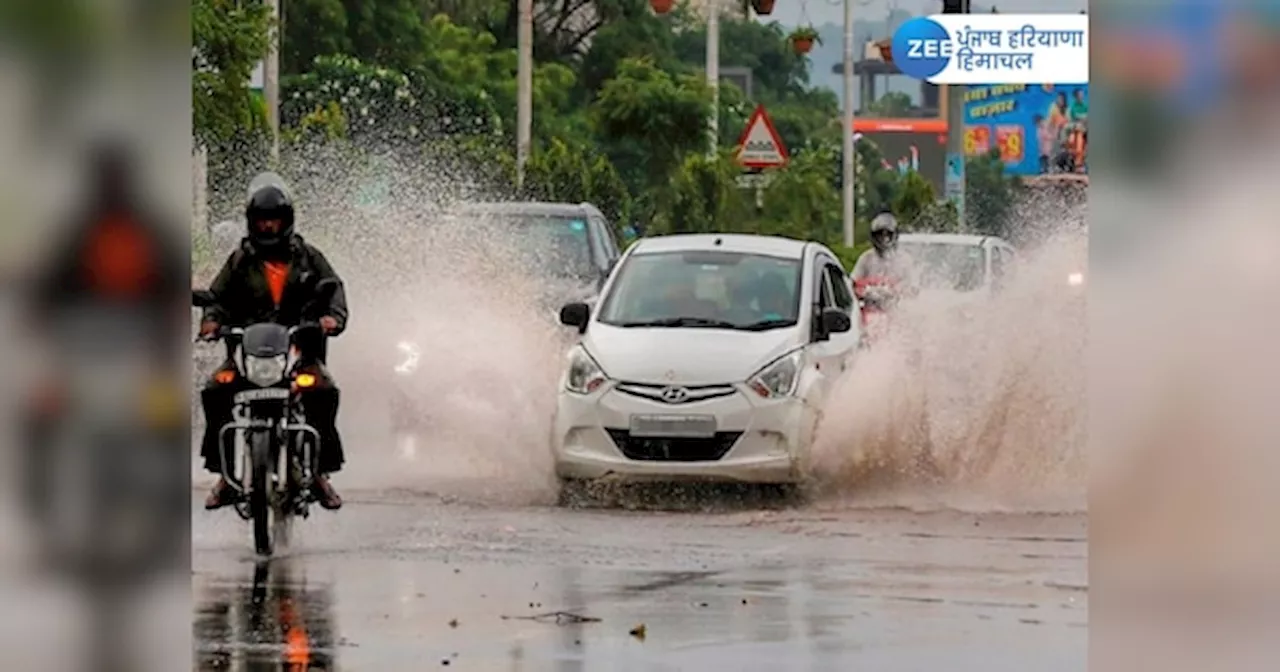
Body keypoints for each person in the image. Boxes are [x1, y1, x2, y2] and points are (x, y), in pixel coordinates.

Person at [198, 174, 349, 511]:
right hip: (247, 355)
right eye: (262, 221)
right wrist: (211, 322)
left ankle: (321, 473)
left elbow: (333, 288)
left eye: (274, 220)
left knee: (322, 392)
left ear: (287, 221)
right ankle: (225, 476)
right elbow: (216, 297)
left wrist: (331, 319)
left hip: (299, 352)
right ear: (252, 222)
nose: (268, 227)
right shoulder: (240, 260)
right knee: (215, 390)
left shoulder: (308, 256)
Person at [851, 211, 915, 287]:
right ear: (873, 236)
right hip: (869, 298)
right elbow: (853, 282)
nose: (884, 238)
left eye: (888, 234)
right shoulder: (866, 258)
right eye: (880, 234)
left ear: (895, 235)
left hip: (899, 298)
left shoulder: (904, 259)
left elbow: (912, 286)